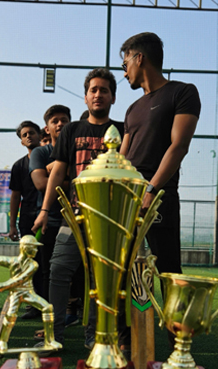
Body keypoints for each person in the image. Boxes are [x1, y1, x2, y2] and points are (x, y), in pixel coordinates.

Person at [33, 68, 123, 350]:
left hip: (108, 222)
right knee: (58, 271)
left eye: (104, 90)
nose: (98, 94)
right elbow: (58, 172)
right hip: (73, 218)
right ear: (85, 97)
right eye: (93, 90)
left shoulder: (122, 130)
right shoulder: (72, 130)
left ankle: (94, 337)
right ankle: (55, 335)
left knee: (100, 280)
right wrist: (45, 210)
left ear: (113, 97)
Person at [119, 32, 200, 284]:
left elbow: (179, 146)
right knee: (123, 270)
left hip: (159, 195)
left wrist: (151, 189)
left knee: (167, 269)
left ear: (139, 58)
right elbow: (122, 157)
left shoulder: (183, 92)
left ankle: (174, 313)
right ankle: (129, 314)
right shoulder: (132, 109)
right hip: (127, 197)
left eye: (125, 64)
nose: (124, 73)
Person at [0, 235, 61, 354]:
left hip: (28, 292)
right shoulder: (13, 261)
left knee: (47, 307)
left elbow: (21, 279)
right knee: (11, 315)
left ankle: (50, 340)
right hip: (15, 293)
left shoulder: (34, 265)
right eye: (33, 247)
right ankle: (3, 342)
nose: (36, 250)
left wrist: (3, 285)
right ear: (25, 248)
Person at [29, 105, 71, 305]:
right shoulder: (40, 152)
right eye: (55, 121)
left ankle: (73, 309)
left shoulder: (76, 151)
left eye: (64, 120)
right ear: (47, 128)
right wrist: (67, 176)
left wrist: (52, 171)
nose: (60, 124)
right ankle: (48, 311)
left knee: (75, 269)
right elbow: (41, 184)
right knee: (47, 269)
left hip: (75, 218)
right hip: (49, 219)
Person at [9, 120, 43, 320]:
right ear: (21, 141)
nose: (28, 136)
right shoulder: (18, 166)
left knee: (50, 262)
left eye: (31, 132)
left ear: (40, 135)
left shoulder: (51, 158)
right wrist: (12, 225)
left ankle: (60, 305)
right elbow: (15, 196)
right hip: (28, 219)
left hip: (50, 217)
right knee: (30, 263)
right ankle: (34, 305)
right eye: (24, 135)